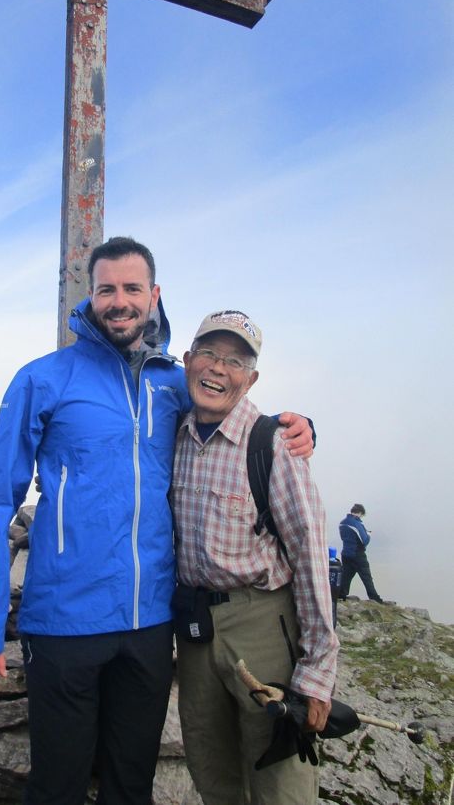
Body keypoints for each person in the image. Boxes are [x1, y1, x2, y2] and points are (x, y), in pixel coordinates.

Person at [0, 237, 314, 805]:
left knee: (131, 786)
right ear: (90, 296)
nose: (119, 301)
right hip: (64, 623)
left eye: (131, 288)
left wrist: (299, 425)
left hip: (149, 627)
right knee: (58, 787)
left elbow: (233, 415)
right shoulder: (43, 380)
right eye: (106, 289)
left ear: (154, 295)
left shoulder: (173, 382)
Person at [172, 309, 339, 805]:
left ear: (252, 378)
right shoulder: (175, 436)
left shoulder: (274, 444)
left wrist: (317, 672)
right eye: (208, 353)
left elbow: (311, 557)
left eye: (235, 360)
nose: (218, 369)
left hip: (263, 625)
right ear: (187, 361)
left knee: (280, 781)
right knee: (212, 773)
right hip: (197, 631)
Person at [338, 504, 384, 603]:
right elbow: (365, 541)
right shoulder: (356, 523)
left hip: (345, 553)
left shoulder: (342, 523)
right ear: (359, 513)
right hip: (357, 554)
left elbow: (344, 537)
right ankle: (375, 598)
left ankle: (341, 595)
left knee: (346, 575)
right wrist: (369, 534)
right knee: (366, 577)